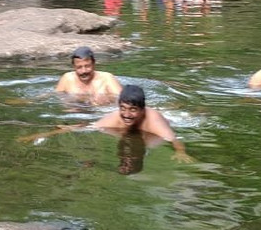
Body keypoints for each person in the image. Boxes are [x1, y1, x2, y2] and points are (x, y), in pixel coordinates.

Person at [25, 84, 193, 164]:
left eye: (133, 110)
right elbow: (83, 127)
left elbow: (173, 138)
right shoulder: (114, 118)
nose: (127, 115)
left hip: (171, 118)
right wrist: (44, 134)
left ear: (141, 110)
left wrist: (181, 152)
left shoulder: (153, 120)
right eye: (123, 108)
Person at [55, 46, 122, 104]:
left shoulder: (107, 78)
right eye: (79, 67)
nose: (84, 71)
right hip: (75, 109)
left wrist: (108, 100)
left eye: (87, 66)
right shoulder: (67, 78)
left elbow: (123, 100)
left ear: (93, 64)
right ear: (74, 67)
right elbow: (56, 97)